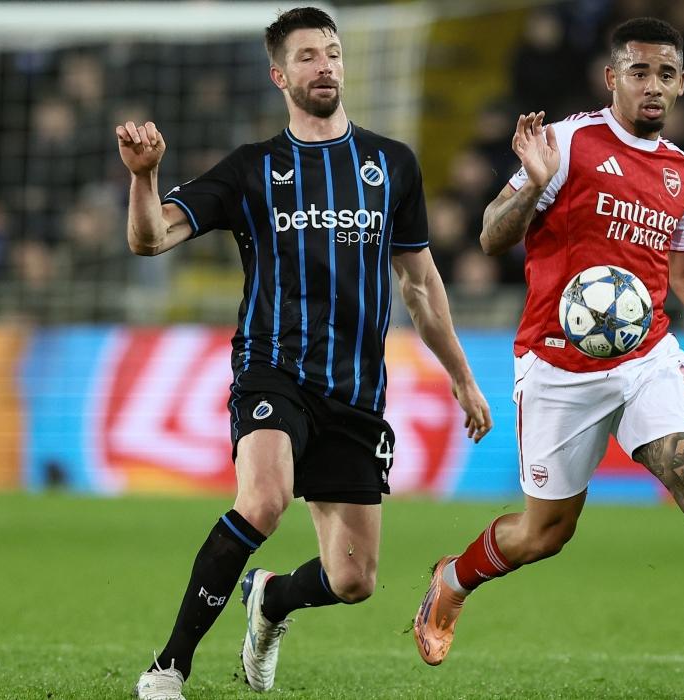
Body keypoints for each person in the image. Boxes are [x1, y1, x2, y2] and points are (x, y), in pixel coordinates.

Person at [412, 17, 684, 700]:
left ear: (683, 83)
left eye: (666, 73)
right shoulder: (567, 143)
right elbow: (488, 236)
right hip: (556, 365)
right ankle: (453, 579)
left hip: (645, 358)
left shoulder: (683, 173)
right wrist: (532, 185)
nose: (652, 85)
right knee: (544, 534)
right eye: (639, 71)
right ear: (612, 78)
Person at [118, 8, 492, 698]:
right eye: (308, 56)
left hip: (355, 390)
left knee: (353, 580)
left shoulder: (391, 164)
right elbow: (150, 239)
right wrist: (145, 178)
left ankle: (270, 599)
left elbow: (419, 284)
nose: (325, 66)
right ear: (279, 75)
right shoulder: (252, 168)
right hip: (273, 368)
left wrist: (463, 379)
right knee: (263, 500)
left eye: (333, 53)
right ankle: (169, 666)